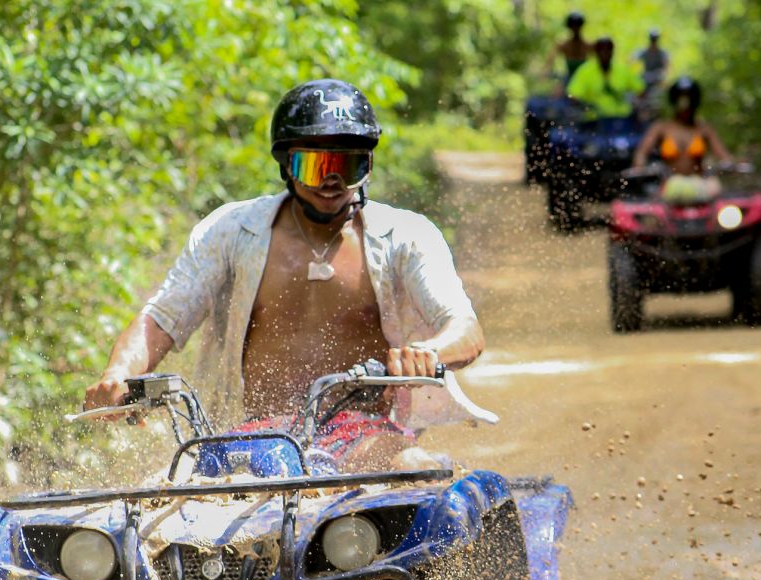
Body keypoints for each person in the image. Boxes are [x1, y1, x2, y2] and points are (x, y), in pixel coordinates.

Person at [84, 78, 496, 472]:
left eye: (348, 166)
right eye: (316, 166)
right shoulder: (229, 231)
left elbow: (464, 328)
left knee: (414, 469)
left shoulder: (407, 236)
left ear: (368, 166)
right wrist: (119, 373)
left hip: (361, 434)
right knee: (160, 498)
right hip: (250, 437)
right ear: (286, 164)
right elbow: (161, 318)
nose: (332, 181)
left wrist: (430, 354)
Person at [632, 76, 733, 202]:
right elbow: (642, 151)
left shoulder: (704, 129)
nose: (685, 105)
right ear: (674, 101)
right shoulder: (661, 128)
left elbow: (724, 156)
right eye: (681, 100)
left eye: (689, 99)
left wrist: (731, 164)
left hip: (700, 183)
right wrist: (640, 165)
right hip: (670, 184)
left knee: (717, 191)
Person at [566, 37, 645, 119]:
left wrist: (635, 102)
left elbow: (640, 89)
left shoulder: (622, 69)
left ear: (612, 51)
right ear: (596, 52)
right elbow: (572, 94)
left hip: (622, 118)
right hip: (594, 121)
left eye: (608, 50)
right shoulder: (585, 71)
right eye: (601, 50)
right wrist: (584, 105)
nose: (605, 53)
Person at [545, 11, 591, 92]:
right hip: (568, 80)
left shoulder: (588, 45)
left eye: (578, 25)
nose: (575, 28)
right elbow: (550, 60)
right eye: (573, 26)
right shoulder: (563, 45)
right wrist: (547, 72)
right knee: (556, 93)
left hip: (585, 80)